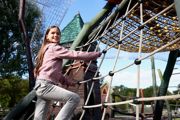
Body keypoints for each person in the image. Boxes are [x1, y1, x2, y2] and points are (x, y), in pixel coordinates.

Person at [33, 25, 102, 120]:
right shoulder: (54, 48)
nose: (55, 35)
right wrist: (94, 54)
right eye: (52, 33)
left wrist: (67, 82)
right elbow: (74, 54)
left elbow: (55, 73)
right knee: (74, 98)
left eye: (58, 33)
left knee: (39, 118)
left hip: (40, 86)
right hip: (46, 86)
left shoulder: (45, 49)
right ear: (47, 36)